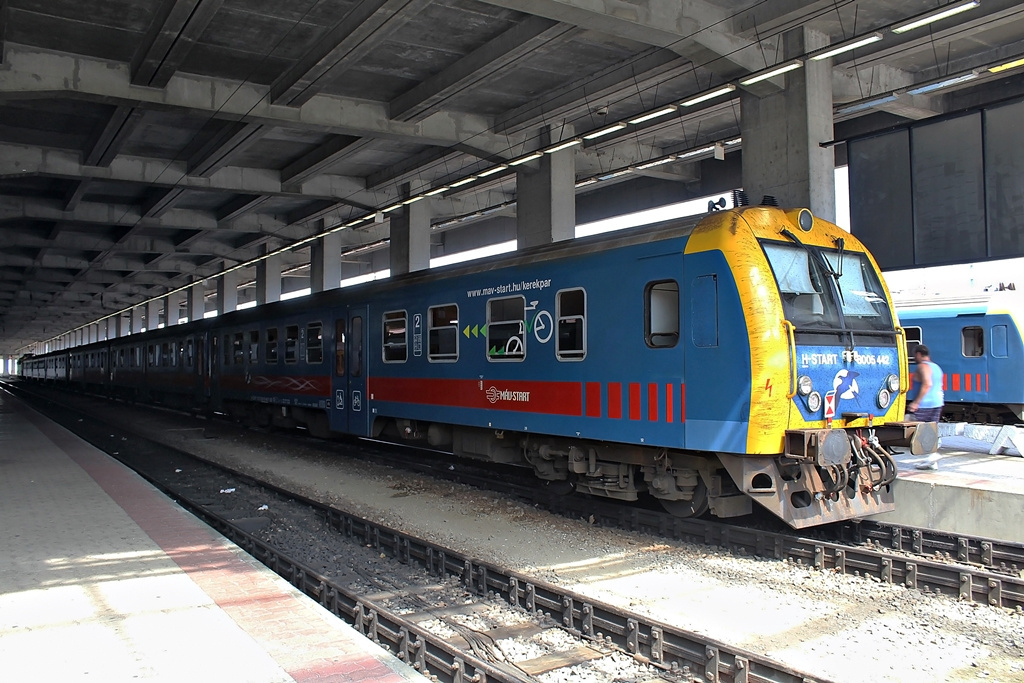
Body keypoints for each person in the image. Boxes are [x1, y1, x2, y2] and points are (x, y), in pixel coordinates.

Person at [907, 344, 944, 470]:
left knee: (919, 431)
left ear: (918, 354)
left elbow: (927, 384)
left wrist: (916, 402)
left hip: (925, 404)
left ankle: (933, 455)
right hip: (938, 402)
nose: (913, 357)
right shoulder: (936, 367)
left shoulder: (922, 366)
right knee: (931, 430)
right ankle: (932, 460)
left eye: (914, 354)